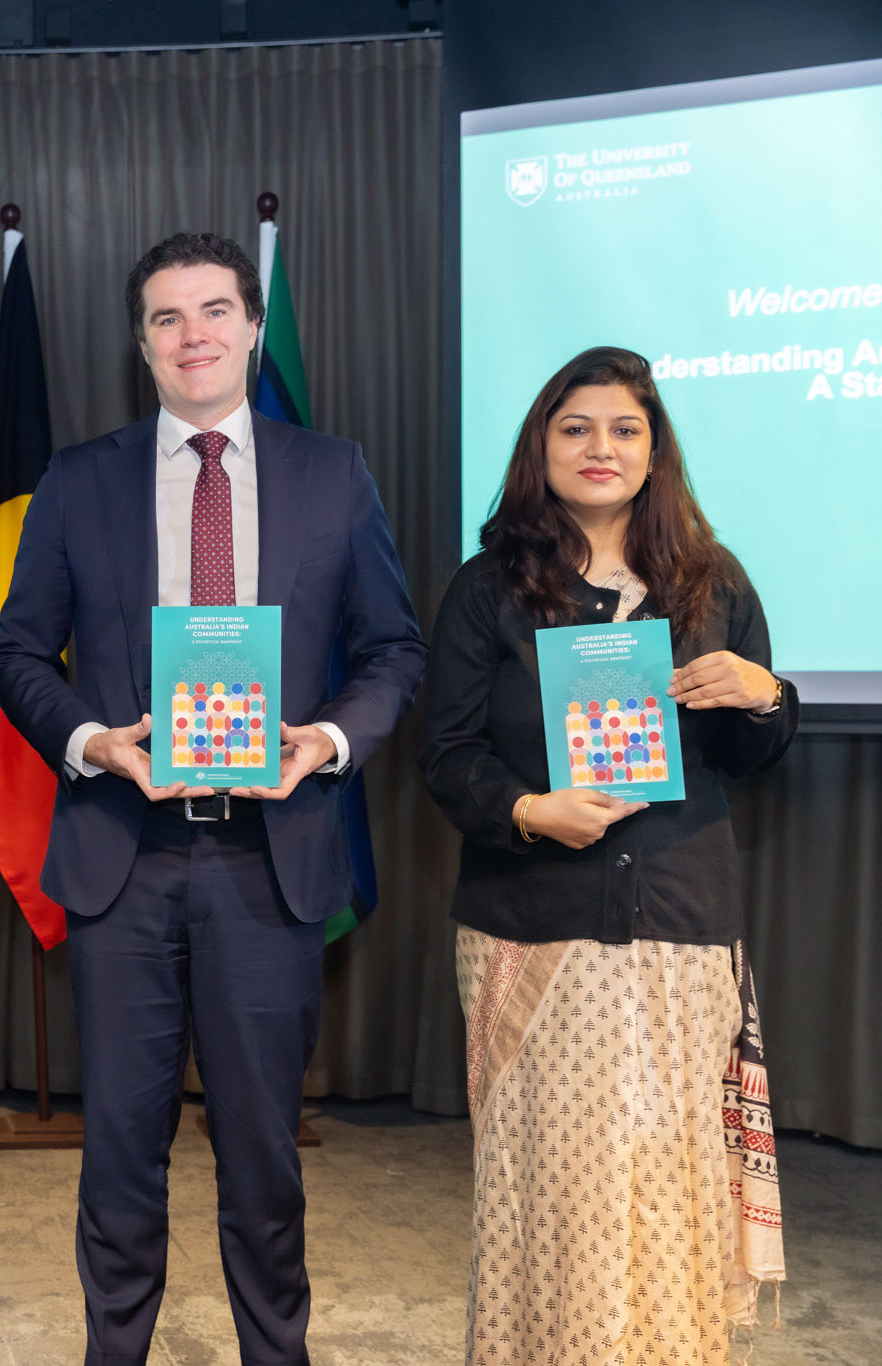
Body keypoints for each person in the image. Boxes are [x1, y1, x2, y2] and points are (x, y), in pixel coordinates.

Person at [0, 231, 425, 1365]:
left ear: (251, 326)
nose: (195, 336)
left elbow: (391, 652)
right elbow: (19, 655)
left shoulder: (334, 471)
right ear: (140, 344)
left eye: (215, 311)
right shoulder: (80, 478)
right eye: (168, 318)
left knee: (261, 1163)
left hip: (268, 859)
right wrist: (92, 741)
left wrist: (322, 740)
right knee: (119, 1160)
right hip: (119, 859)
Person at [419, 345, 794, 1365]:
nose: (599, 447)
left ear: (653, 449)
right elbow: (445, 757)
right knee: (552, 1187)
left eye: (623, 428)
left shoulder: (711, 585)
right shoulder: (485, 590)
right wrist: (531, 809)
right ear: (539, 446)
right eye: (574, 426)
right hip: (531, 927)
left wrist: (765, 696)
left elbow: (749, 753)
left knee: (665, 1184)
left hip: (677, 926)